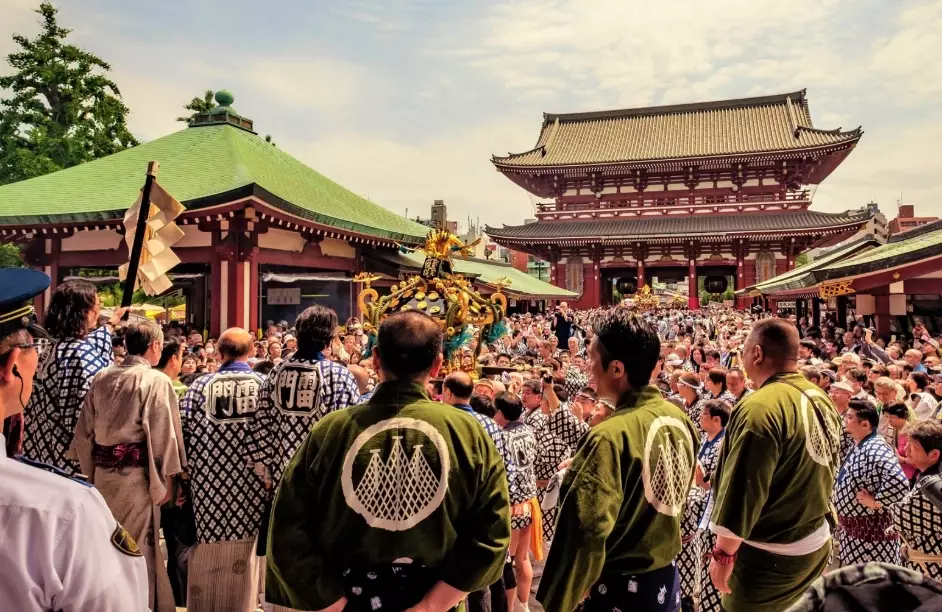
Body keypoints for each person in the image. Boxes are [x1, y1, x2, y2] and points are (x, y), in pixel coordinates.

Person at [267, 311, 511, 611]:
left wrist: (335, 602)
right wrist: (433, 605)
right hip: (437, 599)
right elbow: (494, 532)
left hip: (346, 596)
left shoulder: (331, 430)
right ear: (437, 365)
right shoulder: (468, 432)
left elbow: (287, 531)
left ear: (376, 359)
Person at [0, 268, 149, 611]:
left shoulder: (53, 352)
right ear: (13, 366)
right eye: (97, 308)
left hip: (33, 456)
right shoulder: (67, 511)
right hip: (69, 470)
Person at [537, 310, 698, 612]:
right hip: (665, 580)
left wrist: (561, 599)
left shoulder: (608, 436)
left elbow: (586, 530)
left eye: (591, 358)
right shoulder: (679, 419)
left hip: (617, 591)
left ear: (616, 368)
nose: (587, 367)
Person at [708, 318, 842, 612]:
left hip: (772, 553)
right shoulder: (819, 396)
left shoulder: (760, 406)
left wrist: (724, 554)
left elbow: (745, 487)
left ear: (756, 353)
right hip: (814, 538)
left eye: (743, 352)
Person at [70, 320, 186, 612]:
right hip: (138, 479)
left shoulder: (102, 377)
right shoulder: (155, 381)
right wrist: (168, 480)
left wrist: (93, 471)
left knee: (106, 544)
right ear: (155, 346)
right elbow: (163, 436)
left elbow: (84, 435)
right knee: (136, 549)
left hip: (103, 477)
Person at [180, 327, 267, 612]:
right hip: (252, 494)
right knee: (248, 567)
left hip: (209, 495)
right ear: (252, 351)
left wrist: (183, 482)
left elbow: (183, 436)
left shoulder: (199, 386)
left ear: (218, 354)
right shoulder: (263, 385)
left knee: (208, 571)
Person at [245, 305, 360, 492]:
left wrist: (265, 470)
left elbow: (261, 425)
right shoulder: (338, 375)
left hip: (284, 479)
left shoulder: (277, 372)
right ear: (329, 339)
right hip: (326, 483)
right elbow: (348, 432)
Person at [23, 280, 125, 474]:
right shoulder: (82, 355)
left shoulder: (48, 347)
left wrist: (112, 322)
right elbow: (90, 415)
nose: (98, 311)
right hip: (69, 458)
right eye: (97, 306)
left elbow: (95, 339)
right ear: (85, 311)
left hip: (38, 449)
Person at [832, 400, 909, 566]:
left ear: (865, 424)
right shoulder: (862, 442)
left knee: (872, 586)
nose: (846, 419)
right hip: (855, 533)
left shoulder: (875, 448)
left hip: (873, 538)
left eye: (850, 417)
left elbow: (899, 482)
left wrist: (876, 502)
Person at [494, 391, 541, 612]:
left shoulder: (502, 437)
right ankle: (523, 605)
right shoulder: (529, 430)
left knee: (507, 563)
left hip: (513, 504)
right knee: (522, 559)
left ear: (499, 413)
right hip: (530, 500)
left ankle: (512, 607)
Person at [891, 419, 942, 580]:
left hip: (931, 570)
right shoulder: (929, 476)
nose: (906, 449)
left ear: (934, 454)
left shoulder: (931, 486)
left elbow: (899, 516)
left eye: (912, 446)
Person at [883, 402, 918, 481]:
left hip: (912, 477)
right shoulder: (895, 430)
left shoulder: (912, 433)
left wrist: (901, 459)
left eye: (891, 417)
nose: (889, 421)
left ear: (902, 417)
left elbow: (918, 462)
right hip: (900, 474)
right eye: (887, 417)